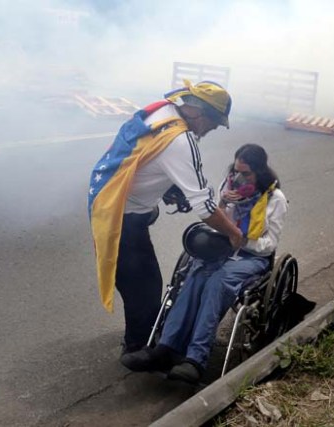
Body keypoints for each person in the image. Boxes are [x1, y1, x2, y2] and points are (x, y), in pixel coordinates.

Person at [87, 80, 245, 361]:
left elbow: (144, 157)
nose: (213, 129)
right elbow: (205, 206)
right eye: (214, 123)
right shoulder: (180, 141)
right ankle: (137, 347)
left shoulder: (161, 111)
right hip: (122, 215)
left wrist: (170, 188)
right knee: (145, 286)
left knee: (134, 276)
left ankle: (141, 335)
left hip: (108, 196)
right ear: (198, 113)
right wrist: (234, 233)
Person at [121, 143, 289, 384]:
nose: (239, 178)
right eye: (236, 171)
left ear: (260, 173)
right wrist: (222, 203)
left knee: (217, 283)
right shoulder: (228, 186)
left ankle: (196, 359)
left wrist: (240, 241)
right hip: (220, 248)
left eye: (246, 174)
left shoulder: (276, 199)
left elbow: (269, 244)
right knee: (195, 276)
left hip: (251, 257)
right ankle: (165, 348)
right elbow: (213, 223)